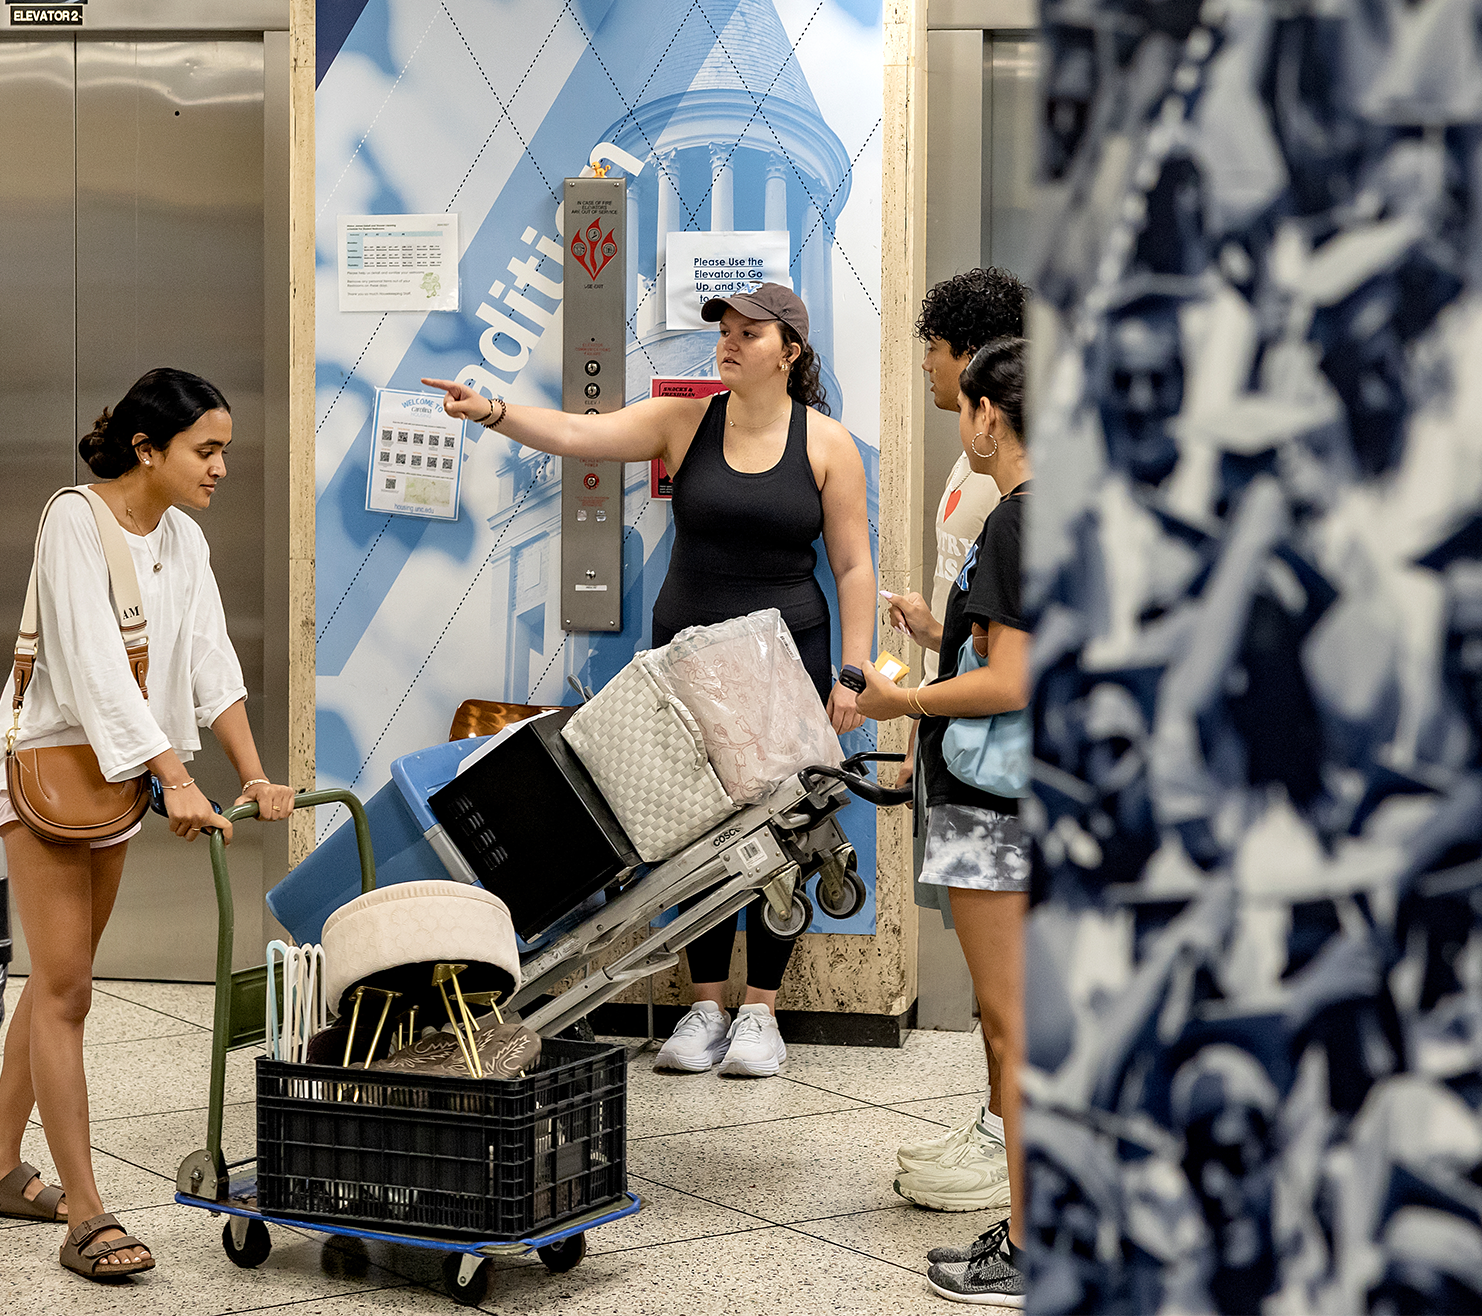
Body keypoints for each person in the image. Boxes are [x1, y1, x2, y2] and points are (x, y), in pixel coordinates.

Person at [426, 283, 872, 1078]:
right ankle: (704, 1003)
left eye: (748, 332)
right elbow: (579, 434)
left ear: (790, 352)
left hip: (787, 660)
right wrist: (491, 408)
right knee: (688, 830)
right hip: (689, 654)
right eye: (724, 330)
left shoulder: (828, 443)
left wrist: (854, 671)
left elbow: (853, 565)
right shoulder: (684, 421)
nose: (728, 342)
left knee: (784, 830)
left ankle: (761, 1011)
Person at [0, 368, 296, 1282]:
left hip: (115, 784)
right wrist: (174, 776)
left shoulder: (184, 538)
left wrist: (255, 774)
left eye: (226, 449)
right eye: (207, 449)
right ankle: (86, 1212)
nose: (221, 466)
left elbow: (208, 656)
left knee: (54, 981)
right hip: (46, 774)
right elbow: (89, 671)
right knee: (69, 989)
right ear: (147, 449)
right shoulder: (72, 520)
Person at [857, 337, 1034, 1306]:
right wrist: (938, 637)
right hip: (1037, 798)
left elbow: (1009, 678)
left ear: (988, 415)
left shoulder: (1014, 520)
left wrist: (902, 703)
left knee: (1012, 1029)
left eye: (961, 404)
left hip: (992, 808)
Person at [913, 269, 1029, 679]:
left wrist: (908, 702)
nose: (926, 364)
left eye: (934, 347)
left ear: (974, 356)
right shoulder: (975, 458)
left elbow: (1008, 666)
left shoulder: (1010, 491)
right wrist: (933, 636)